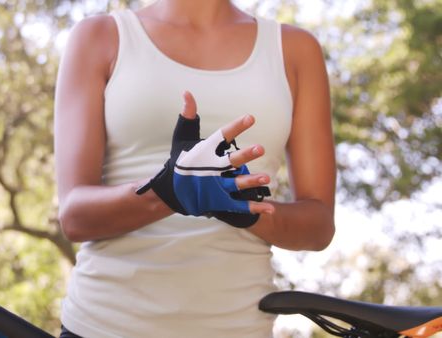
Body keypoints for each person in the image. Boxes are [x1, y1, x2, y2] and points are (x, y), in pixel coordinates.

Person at [53, 0, 335, 337]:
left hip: (238, 326)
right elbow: (74, 216)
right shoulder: (100, 36)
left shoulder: (295, 50)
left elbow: (318, 226)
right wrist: (167, 190)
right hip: (101, 325)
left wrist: (244, 208)